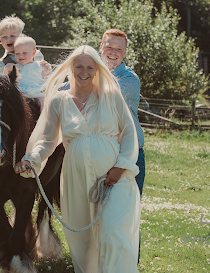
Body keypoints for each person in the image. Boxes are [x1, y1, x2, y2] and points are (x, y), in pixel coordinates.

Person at [15, 45, 140, 273]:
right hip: (76, 180)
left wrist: (121, 167)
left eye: (89, 67)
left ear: (97, 70)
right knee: (84, 241)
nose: (84, 72)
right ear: (71, 68)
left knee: (113, 233)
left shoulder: (111, 96)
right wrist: (32, 159)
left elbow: (129, 132)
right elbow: (48, 139)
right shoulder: (60, 100)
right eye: (79, 66)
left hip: (112, 177)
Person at [58, 29, 145, 262]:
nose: (113, 52)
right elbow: (65, 94)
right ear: (100, 46)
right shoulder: (89, 73)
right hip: (93, 154)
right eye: (109, 46)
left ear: (126, 52)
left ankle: (126, 265)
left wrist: (70, 85)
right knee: (92, 214)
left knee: (120, 217)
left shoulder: (128, 79)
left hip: (127, 153)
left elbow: (99, 92)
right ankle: (96, 263)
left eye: (119, 48)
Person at [3, 36, 50, 111]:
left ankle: (43, 121)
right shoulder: (15, 67)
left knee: (44, 102)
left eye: (24, 52)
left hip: (37, 93)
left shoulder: (40, 65)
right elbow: (6, 80)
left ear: (33, 52)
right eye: (17, 53)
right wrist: (7, 68)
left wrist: (47, 69)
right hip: (21, 93)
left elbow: (47, 80)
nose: (21, 55)